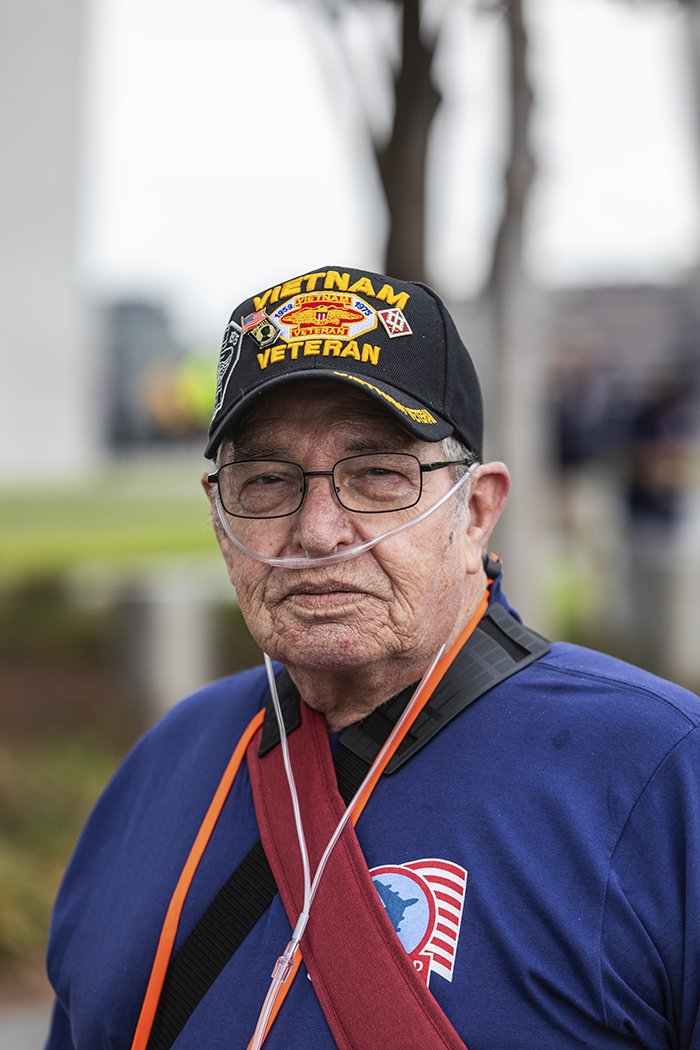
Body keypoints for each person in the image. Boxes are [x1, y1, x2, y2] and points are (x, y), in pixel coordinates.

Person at [45, 266, 700, 1050]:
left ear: (477, 513)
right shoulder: (165, 766)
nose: (319, 531)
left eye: (378, 475)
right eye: (266, 482)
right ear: (222, 526)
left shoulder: (659, 773)